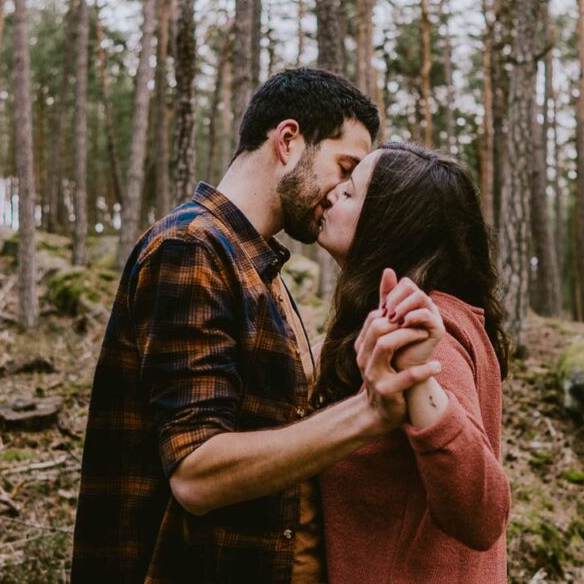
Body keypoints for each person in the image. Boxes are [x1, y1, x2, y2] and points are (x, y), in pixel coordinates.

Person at [70, 69, 443, 582]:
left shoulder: (255, 264)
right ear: (288, 141)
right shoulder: (192, 248)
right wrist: (369, 413)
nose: (341, 193)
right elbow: (196, 474)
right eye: (344, 167)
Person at [315, 141, 512, 583]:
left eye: (349, 192)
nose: (331, 194)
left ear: (390, 225)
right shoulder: (424, 321)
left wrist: (419, 378)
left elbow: (483, 513)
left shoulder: (427, 336)